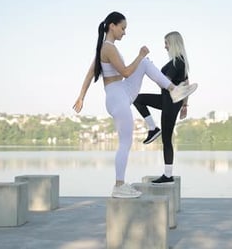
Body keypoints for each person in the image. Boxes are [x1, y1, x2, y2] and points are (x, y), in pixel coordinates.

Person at [73, 12, 197, 198]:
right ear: (112, 26)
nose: (124, 32)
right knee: (125, 142)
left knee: (146, 63)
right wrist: (139, 56)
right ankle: (119, 185)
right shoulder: (108, 48)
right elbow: (125, 72)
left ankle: (172, 91)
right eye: (123, 28)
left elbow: (90, 74)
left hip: (121, 91)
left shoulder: (105, 48)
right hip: (118, 96)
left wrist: (81, 97)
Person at [133, 31, 191, 185]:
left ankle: (168, 175)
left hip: (171, 103)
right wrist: (185, 105)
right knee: (137, 99)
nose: (165, 46)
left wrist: (152, 71)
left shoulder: (177, 61)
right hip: (167, 100)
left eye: (166, 43)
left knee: (167, 139)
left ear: (173, 44)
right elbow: (186, 83)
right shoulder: (179, 61)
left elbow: (165, 82)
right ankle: (153, 128)